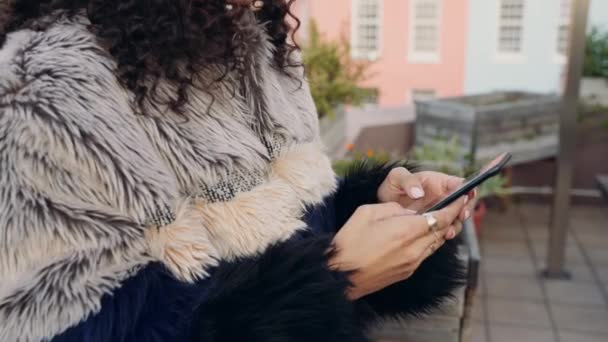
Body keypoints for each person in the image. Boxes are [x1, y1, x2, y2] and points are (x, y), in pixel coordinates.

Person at [0, 0, 475, 341]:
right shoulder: (45, 91)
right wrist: (335, 277)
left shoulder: (255, 43)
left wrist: (379, 204)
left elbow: (292, 225)